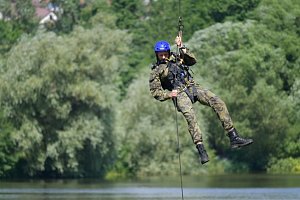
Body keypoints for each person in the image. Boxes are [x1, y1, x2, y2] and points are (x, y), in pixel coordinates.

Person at [149, 36, 253, 164]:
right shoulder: (156, 72)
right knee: (191, 118)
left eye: (165, 54)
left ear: (169, 52)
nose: (164, 57)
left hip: (192, 87)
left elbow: (192, 60)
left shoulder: (177, 57)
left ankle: (233, 137)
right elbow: (155, 92)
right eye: (161, 55)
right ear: (157, 56)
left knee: (218, 102)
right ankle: (201, 150)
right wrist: (169, 94)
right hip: (179, 94)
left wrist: (182, 46)